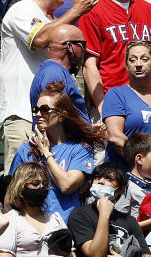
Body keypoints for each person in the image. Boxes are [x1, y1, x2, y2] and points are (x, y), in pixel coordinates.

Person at [0, 0, 96, 168]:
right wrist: (76, 11)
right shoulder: (22, 9)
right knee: (22, 186)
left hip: (52, 121)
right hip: (23, 115)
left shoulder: (52, 19)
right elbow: (41, 39)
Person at [10, 82, 106, 222]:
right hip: (31, 228)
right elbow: (11, 196)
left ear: (61, 115)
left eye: (44, 110)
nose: (37, 114)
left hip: (65, 228)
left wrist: (45, 152)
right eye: (35, 109)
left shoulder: (80, 149)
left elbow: (67, 185)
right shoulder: (25, 150)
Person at [100, 41, 151, 169]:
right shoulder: (117, 94)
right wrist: (146, 164)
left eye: (144, 59)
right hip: (126, 175)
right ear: (126, 66)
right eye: (132, 60)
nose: (138, 64)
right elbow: (115, 137)